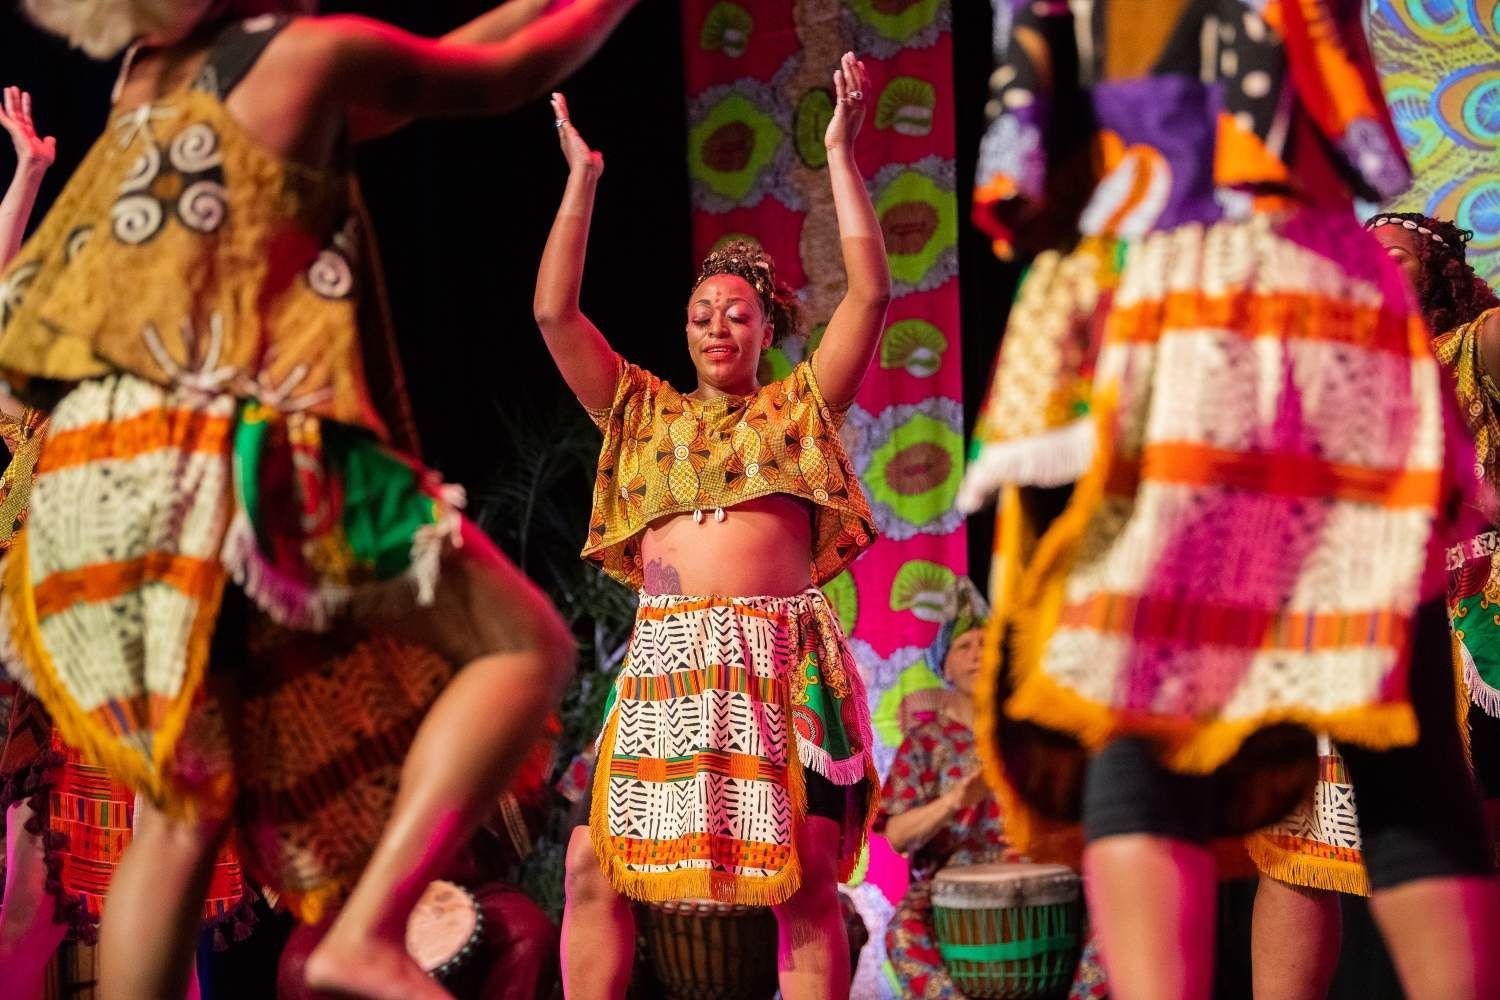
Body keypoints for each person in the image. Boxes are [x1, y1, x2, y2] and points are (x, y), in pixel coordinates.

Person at [0, 2, 642, 998]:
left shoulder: (148, 72)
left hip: (89, 477)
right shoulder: (313, 54)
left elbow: (443, 56)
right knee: (527, 647)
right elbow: (508, 68)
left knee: (183, 807)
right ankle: (371, 930)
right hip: (216, 448)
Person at [968, 2, 1500, 997]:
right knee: (1404, 743)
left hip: (1175, 296)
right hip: (1322, 295)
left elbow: (1030, 165)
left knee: (1145, 726)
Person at [534, 53, 890, 1000]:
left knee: (804, 878)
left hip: (777, 662)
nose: (716, 326)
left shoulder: (797, 412)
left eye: (736, 314)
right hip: (665, 664)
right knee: (586, 866)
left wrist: (842, 154)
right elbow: (552, 311)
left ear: (766, 327)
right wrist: (583, 181)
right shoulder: (641, 412)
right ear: (685, 330)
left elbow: (871, 298)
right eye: (700, 316)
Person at [1245, 212, 1500, 1000]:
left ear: (1441, 279)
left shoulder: (1459, 354)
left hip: (1461, 636)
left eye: (1397, 258)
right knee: (1298, 852)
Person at [878, 580, 1010, 999]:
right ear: (944, 665)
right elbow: (897, 836)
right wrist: (956, 800)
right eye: (964, 646)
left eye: (986, 644)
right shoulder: (925, 741)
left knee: (1110, 927)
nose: (976, 655)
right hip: (946, 887)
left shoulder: (1027, 736)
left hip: (1033, 879)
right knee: (902, 935)